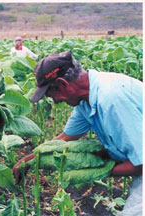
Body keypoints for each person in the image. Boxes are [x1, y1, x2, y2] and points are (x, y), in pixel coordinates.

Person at [13, 50, 143, 216]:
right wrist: (28, 160)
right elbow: (65, 138)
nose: (56, 101)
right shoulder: (86, 99)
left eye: (52, 95)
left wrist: (96, 171)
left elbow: (140, 163)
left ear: (62, 84)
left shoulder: (111, 99)